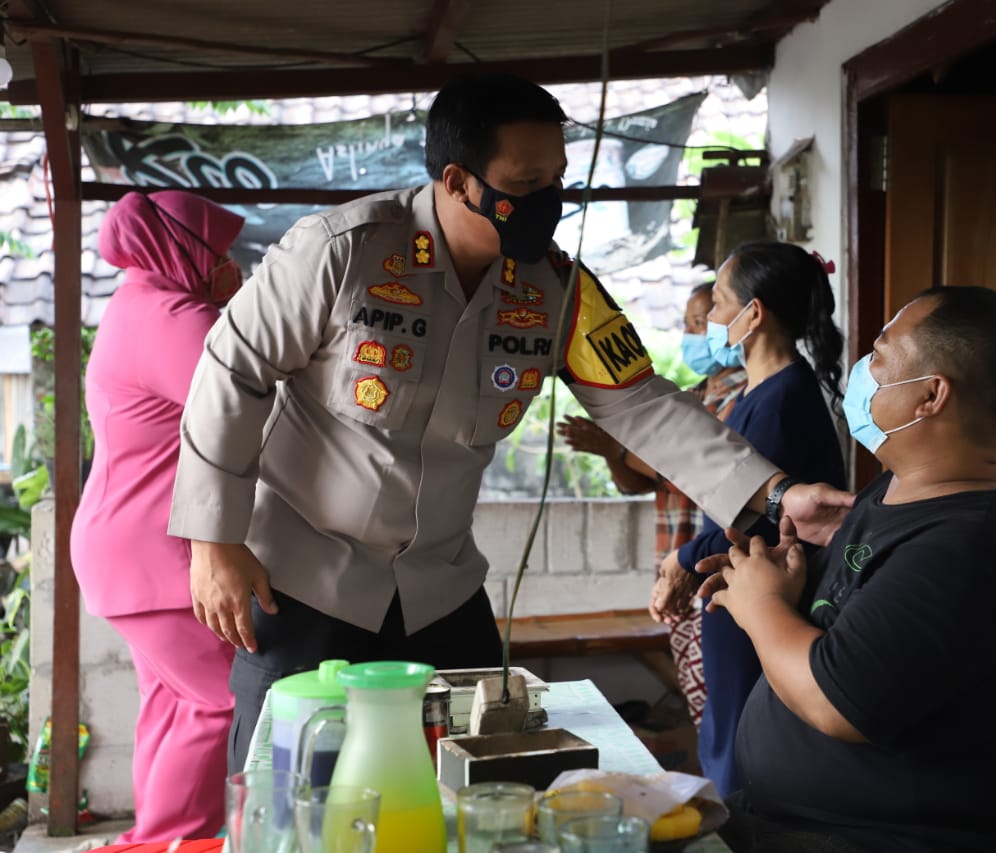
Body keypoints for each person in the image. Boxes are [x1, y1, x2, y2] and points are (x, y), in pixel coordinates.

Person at [167, 71, 853, 772]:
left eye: (557, 180)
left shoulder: (558, 288)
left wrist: (775, 493)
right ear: (458, 180)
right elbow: (232, 371)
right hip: (306, 583)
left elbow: (640, 401)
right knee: (292, 786)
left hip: (440, 592)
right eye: (526, 185)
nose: (547, 202)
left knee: (484, 781)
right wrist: (212, 541)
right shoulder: (341, 251)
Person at [699, 286, 996, 852]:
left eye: (879, 355)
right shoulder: (897, 492)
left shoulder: (967, 549)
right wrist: (788, 576)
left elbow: (834, 701)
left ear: (930, 395)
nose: (864, 369)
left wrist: (761, 606)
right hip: (802, 819)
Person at [70, 190, 246, 842]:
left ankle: (156, 837)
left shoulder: (135, 303)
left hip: (123, 541)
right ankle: (174, 840)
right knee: (220, 700)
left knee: (173, 702)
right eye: (219, 251)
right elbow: (246, 411)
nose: (229, 265)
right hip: (156, 549)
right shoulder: (174, 316)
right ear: (184, 249)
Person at [650, 242, 848, 796]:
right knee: (728, 730)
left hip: (761, 593)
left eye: (717, 303)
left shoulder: (783, 400)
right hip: (739, 591)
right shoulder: (762, 392)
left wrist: (684, 558)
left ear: (753, 314)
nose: (710, 320)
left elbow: (750, 517)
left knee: (744, 738)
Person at [557, 282, 748, 727]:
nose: (691, 334)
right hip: (677, 566)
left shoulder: (742, 397)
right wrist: (611, 452)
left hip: (711, 569)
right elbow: (637, 483)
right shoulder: (690, 397)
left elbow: (691, 470)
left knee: (719, 706)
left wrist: (617, 446)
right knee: (702, 704)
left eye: (700, 322)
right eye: (688, 324)